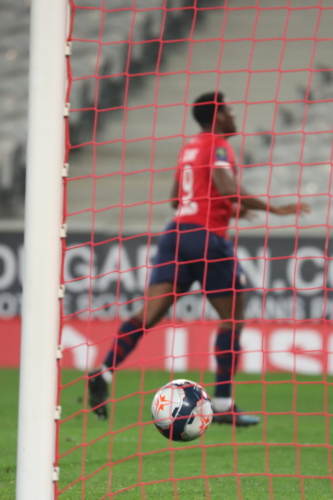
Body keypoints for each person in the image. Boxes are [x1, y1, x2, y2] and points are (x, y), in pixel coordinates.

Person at [88, 91, 310, 425]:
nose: (235, 117)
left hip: (175, 235)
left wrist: (228, 210)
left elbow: (177, 199)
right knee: (234, 313)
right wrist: (273, 208)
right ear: (219, 116)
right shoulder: (218, 145)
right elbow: (226, 185)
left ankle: (103, 372)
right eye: (231, 110)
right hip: (206, 239)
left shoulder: (190, 148)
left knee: (149, 312)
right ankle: (222, 404)